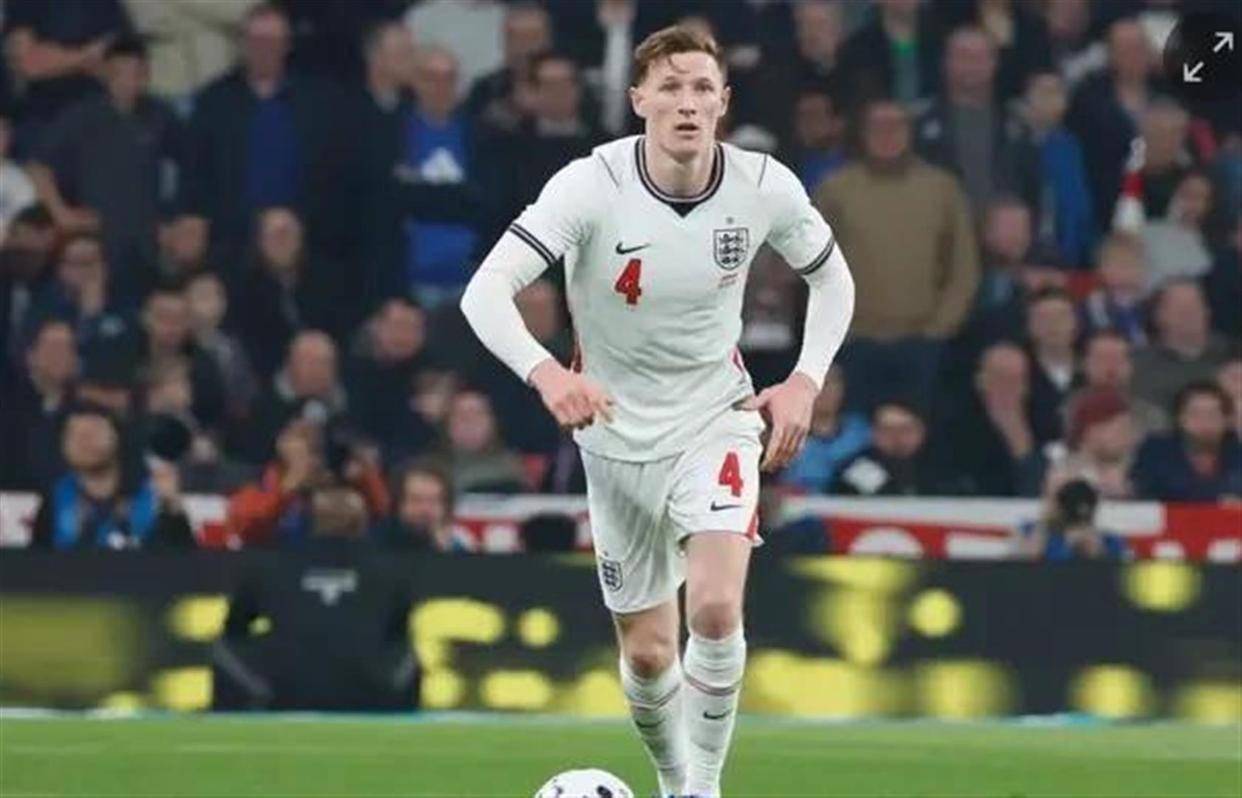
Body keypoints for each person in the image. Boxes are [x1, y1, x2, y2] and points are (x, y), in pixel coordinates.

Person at [460, 26, 854, 798]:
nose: (687, 103)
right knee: (647, 656)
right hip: (612, 438)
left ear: (723, 102)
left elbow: (833, 279)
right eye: (670, 87)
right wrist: (547, 374)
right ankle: (675, 782)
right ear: (638, 99)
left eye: (702, 88)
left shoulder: (762, 185)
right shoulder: (589, 186)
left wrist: (805, 381)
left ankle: (700, 790)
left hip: (715, 418)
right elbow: (486, 292)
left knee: (715, 608)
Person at [816, 100, 977, 413]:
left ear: (910, 132)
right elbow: (812, 266)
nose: (887, 135)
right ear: (862, 134)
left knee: (920, 429)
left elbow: (963, 266)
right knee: (857, 433)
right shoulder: (835, 190)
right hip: (856, 342)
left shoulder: (941, 189)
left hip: (924, 342)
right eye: (878, 127)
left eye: (896, 126)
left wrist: (940, 328)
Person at [25, 36, 183, 302]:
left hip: (146, 243)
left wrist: (175, 220)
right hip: (97, 242)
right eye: (119, 72)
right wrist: (62, 214)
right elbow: (37, 166)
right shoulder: (82, 117)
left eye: (136, 73)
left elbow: (192, 164)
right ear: (106, 74)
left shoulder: (160, 115)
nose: (127, 81)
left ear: (146, 75)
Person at [30, 403, 194, 550]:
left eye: (94, 432)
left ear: (117, 436)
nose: (84, 441)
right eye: (74, 434)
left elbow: (184, 563)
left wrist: (172, 508)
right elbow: (38, 564)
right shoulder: (55, 499)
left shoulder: (153, 495)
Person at [1132, 381, 1242, 502]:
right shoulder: (1156, 451)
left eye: (1213, 414)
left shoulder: (1237, 453)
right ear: (1180, 419)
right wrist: (1216, 499)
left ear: (1227, 420)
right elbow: (1146, 491)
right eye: (1195, 414)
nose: (1204, 422)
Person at [830, 400, 953, 496]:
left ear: (921, 431)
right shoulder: (853, 472)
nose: (896, 437)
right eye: (887, 430)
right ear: (874, 433)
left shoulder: (944, 468)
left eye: (905, 429)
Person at [778, 365, 870, 492]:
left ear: (842, 388)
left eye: (830, 383)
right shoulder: (782, 436)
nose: (823, 390)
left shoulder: (861, 432)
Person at [1014, 477, 1127, 560]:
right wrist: (1042, 525)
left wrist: (1097, 551)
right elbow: (1020, 568)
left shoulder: (1110, 541)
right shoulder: (1030, 531)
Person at [374, 460, 472, 551]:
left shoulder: (456, 548)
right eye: (416, 500)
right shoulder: (375, 545)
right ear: (399, 503)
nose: (425, 509)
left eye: (433, 501)